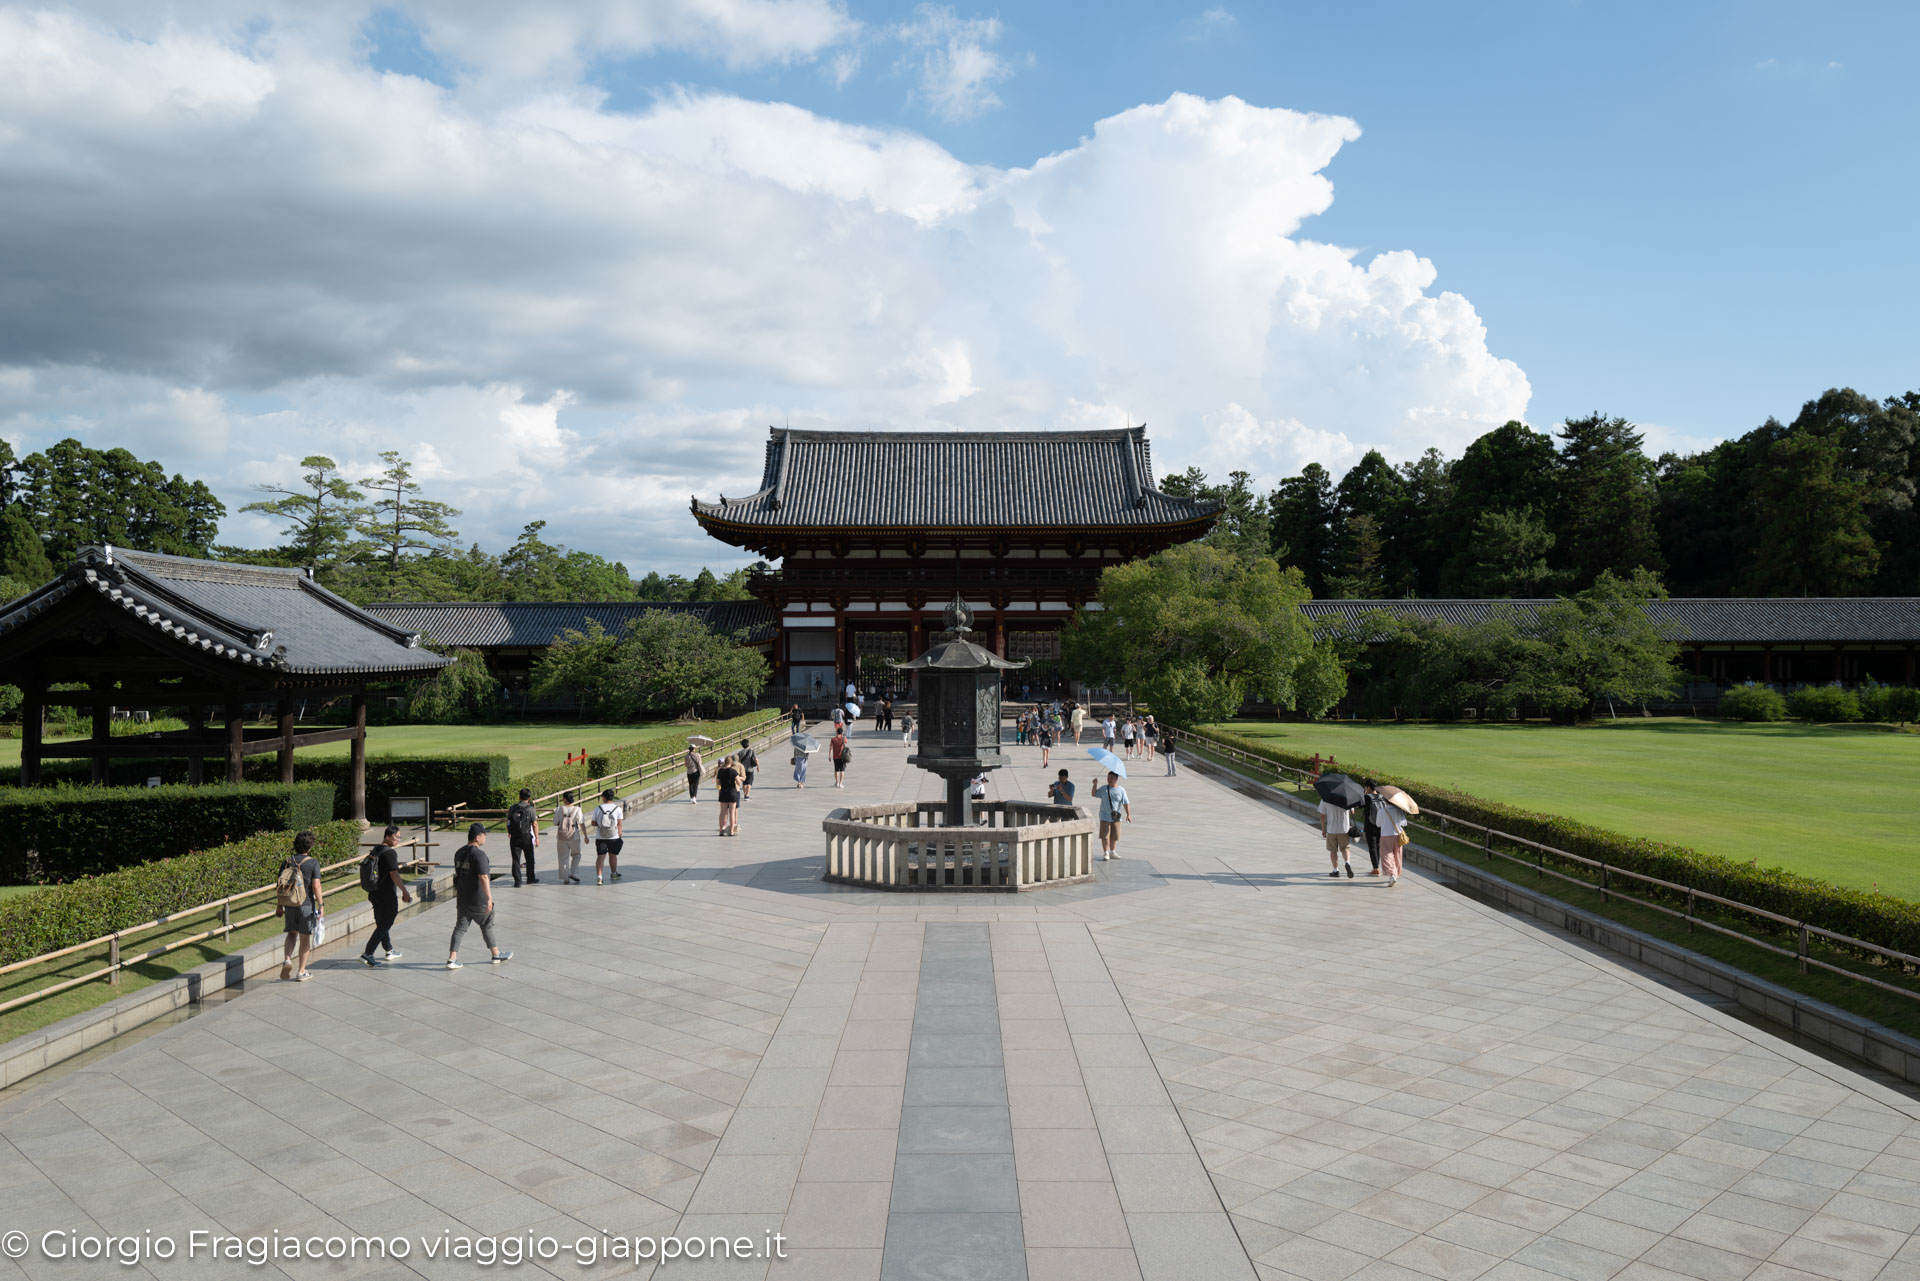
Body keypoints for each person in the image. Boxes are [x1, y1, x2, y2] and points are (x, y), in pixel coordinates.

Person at [447, 823, 510, 969]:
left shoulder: (459, 852)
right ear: (477, 837)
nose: (485, 837)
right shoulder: (479, 855)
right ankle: (496, 954)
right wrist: (489, 898)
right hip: (478, 898)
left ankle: (452, 958)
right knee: (487, 924)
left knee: (460, 928)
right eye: (484, 835)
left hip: (462, 897)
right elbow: (484, 877)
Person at [360, 825, 414, 967]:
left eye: (399, 837)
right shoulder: (390, 853)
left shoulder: (376, 849)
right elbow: (394, 873)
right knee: (386, 922)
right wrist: (405, 891)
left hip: (374, 892)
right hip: (386, 894)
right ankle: (368, 953)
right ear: (388, 837)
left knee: (381, 922)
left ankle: (389, 950)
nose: (398, 840)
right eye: (396, 837)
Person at [277, 829, 323, 981]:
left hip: (289, 904)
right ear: (310, 846)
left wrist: (279, 905)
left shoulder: (287, 861)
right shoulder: (313, 863)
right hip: (306, 905)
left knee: (291, 933)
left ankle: (287, 959)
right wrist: (321, 904)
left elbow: (280, 885)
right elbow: (316, 886)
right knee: (305, 938)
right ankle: (301, 971)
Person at [1092, 771, 1130, 861]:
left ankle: (1112, 852)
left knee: (1114, 835)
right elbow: (1094, 794)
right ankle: (1106, 852)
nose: (1109, 779)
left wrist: (1128, 814)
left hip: (1116, 816)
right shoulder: (1104, 789)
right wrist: (1094, 784)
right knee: (1105, 835)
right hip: (1104, 815)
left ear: (1116, 779)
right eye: (1108, 777)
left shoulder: (1121, 790)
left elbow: (1126, 803)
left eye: (1112, 778)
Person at [506, 787, 540, 886]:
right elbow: (535, 824)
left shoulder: (513, 808)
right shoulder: (531, 809)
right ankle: (530, 878)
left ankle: (517, 881)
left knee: (516, 859)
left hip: (515, 837)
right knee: (529, 858)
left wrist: (509, 832)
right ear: (529, 798)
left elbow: (508, 821)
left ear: (519, 797)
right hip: (526, 837)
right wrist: (537, 838)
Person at [592, 788, 625, 884]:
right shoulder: (617, 808)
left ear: (604, 797)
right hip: (613, 836)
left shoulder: (598, 808)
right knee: (613, 855)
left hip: (600, 836)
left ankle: (599, 876)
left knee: (600, 856)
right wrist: (619, 835)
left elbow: (593, 823)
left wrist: (601, 824)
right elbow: (619, 824)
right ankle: (614, 873)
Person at [553, 790, 586, 884]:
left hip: (562, 836)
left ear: (564, 799)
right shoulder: (577, 809)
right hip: (574, 835)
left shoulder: (559, 809)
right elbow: (581, 822)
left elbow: (555, 822)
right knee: (577, 855)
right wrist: (586, 836)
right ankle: (572, 873)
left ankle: (565, 878)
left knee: (563, 857)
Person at [1319, 793, 1355, 879]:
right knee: (1345, 848)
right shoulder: (1347, 797)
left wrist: (1323, 829)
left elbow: (1322, 816)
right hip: (1344, 829)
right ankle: (1347, 863)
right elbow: (1352, 812)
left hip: (1332, 829)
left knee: (1333, 850)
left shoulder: (1326, 798)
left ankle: (1336, 870)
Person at [1379, 792, 1408, 887]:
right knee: (1397, 856)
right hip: (1398, 835)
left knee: (1386, 855)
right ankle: (1395, 874)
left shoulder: (1382, 810)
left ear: (1385, 801)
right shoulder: (1399, 810)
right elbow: (1404, 823)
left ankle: (1392, 874)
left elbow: (1378, 824)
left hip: (1385, 835)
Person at [1360, 779, 1384, 876]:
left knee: (1372, 846)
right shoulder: (1382, 797)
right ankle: (1376, 866)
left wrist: (1364, 793)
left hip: (1370, 825)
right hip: (1381, 825)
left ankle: (1375, 868)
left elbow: (1360, 805)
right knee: (1378, 845)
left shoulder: (1367, 798)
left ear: (1368, 787)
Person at [716, 755, 742, 836]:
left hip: (723, 792)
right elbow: (739, 783)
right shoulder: (733, 771)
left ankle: (721, 830)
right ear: (731, 763)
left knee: (722, 812)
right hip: (732, 793)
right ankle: (731, 831)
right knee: (732, 812)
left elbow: (718, 783)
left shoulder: (720, 771)